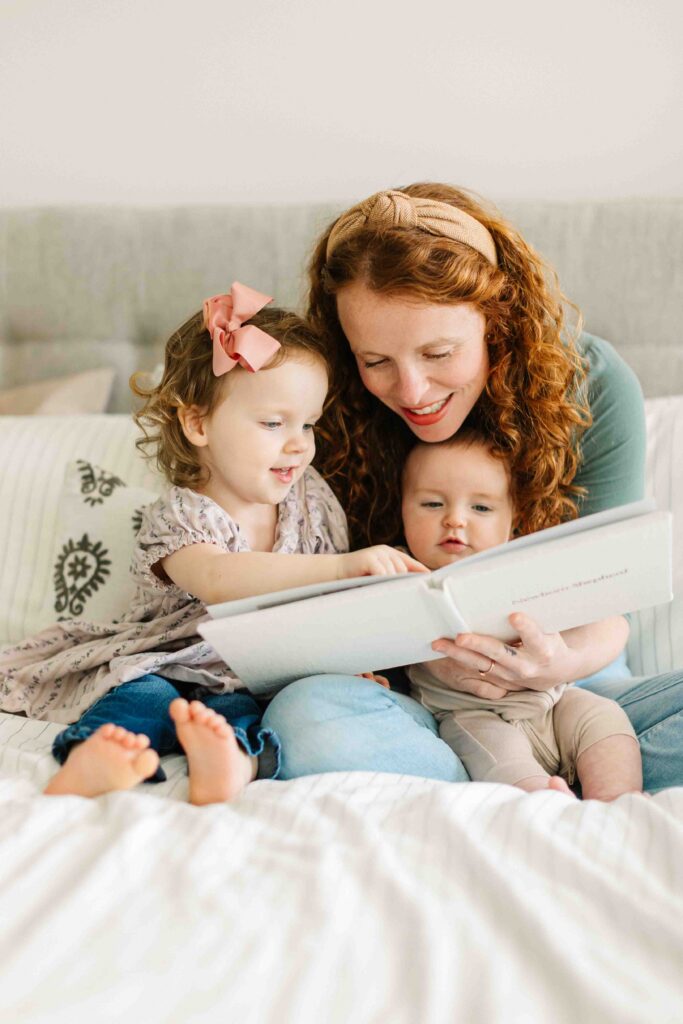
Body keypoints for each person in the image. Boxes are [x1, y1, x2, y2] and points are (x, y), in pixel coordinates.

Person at [261, 184, 683, 792]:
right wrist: (422, 659)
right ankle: (502, 773)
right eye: (375, 361)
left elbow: (609, 603)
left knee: (601, 717)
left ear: (498, 316)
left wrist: (556, 664)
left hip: (579, 691)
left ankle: (534, 773)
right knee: (304, 722)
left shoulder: (589, 385)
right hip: (419, 707)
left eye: (439, 352)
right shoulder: (324, 399)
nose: (411, 391)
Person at [0, 283, 423, 803]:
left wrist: (352, 663)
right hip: (168, 660)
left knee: (242, 716)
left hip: (255, 677)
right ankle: (98, 756)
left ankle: (229, 762)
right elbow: (219, 578)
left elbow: (325, 610)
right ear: (198, 423)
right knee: (140, 698)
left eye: (309, 424)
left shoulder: (311, 502)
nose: (299, 444)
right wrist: (343, 567)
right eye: (274, 423)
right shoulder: (180, 514)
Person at [401, 428, 642, 799]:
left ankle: (617, 800)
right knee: (496, 754)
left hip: (553, 703)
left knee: (603, 716)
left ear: (512, 519)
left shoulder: (527, 567)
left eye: (481, 508)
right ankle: (546, 803)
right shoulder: (403, 576)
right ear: (402, 509)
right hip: (471, 713)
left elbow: (596, 616)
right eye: (433, 504)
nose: (455, 519)